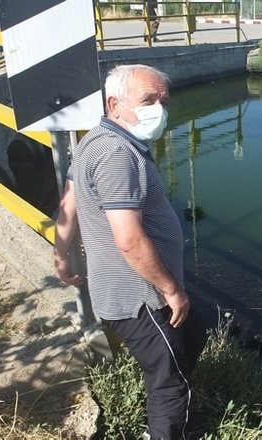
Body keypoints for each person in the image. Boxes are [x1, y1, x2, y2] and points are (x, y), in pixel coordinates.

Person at [54, 64, 207, 440]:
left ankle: (172, 409)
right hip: (141, 296)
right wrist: (171, 290)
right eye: (148, 99)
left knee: (195, 331)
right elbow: (129, 239)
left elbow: (69, 203)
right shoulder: (117, 154)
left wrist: (60, 255)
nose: (159, 109)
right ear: (114, 104)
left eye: (163, 101)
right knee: (169, 386)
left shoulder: (95, 140)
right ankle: (168, 423)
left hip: (127, 291)